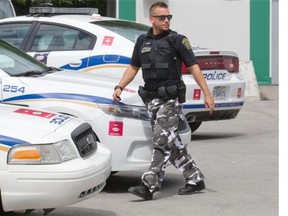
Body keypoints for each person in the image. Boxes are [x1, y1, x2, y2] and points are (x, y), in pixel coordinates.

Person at [112, 1, 215, 200]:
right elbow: (133, 67)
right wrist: (120, 86)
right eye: (162, 17)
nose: (166, 20)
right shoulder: (142, 41)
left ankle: (149, 185)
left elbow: (193, 66)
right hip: (151, 101)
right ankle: (195, 178)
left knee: (161, 142)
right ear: (151, 19)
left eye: (168, 17)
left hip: (170, 100)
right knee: (171, 144)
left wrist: (207, 93)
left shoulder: (177, 40)